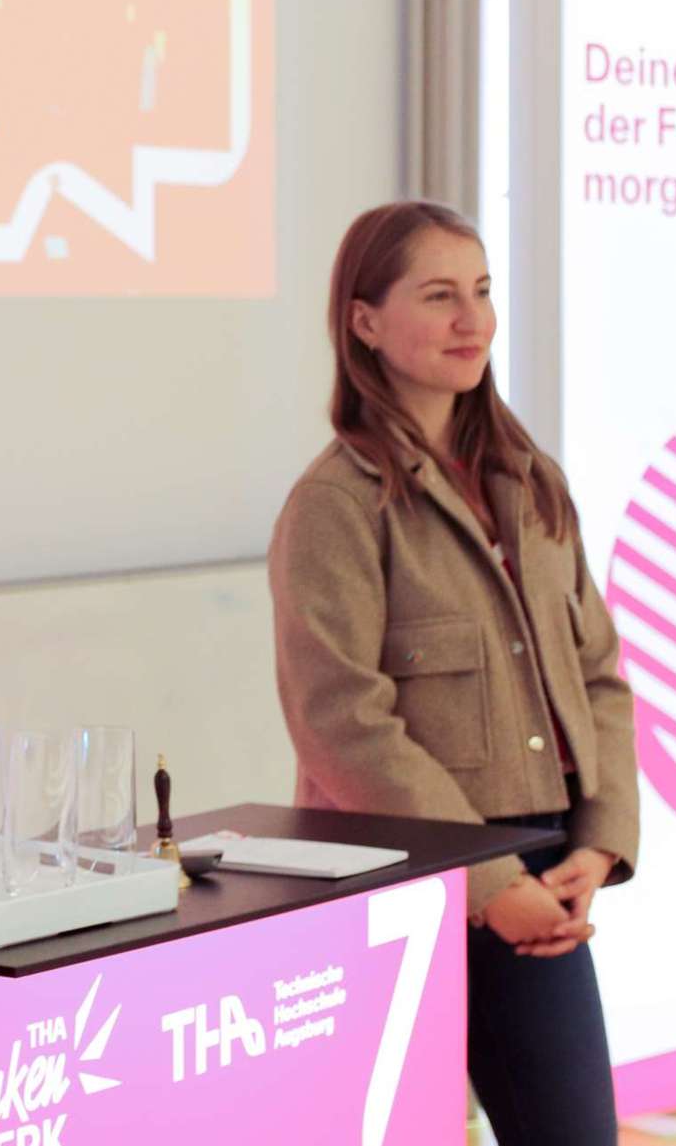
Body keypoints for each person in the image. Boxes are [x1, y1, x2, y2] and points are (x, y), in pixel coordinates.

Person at [268, 200, 638, 1145]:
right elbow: (342, 720)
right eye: (439, 296)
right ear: (365, 322)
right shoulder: (334, 505)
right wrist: (485, 877)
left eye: (480, 291)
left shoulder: (532, 479)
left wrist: (598, 840)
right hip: (411, 881)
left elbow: (597, 671)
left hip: (543, 870)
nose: (473, 319)